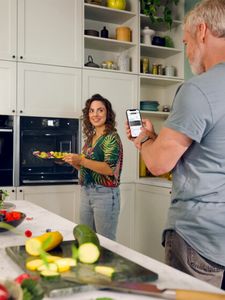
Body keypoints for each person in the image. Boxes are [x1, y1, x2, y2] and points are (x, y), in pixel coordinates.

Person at [126, 0, 225, 288]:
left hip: (199, 240)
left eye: (186, 42)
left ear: (202, 31)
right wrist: (159, 140)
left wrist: (144, 139)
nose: (188, 51)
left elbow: (158, 163)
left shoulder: (198, 89)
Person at [64, 94, 123, 241]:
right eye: (91, 111)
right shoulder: (91, 138)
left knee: (105, 242)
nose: (95, 114)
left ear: (107, 114)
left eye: (100, 110)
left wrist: (82, 161)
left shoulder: (111, 137)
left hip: (105, 194)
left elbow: (109, 169)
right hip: (86, 192)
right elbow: (89, 168)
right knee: (85, 239)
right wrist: (75, 162)